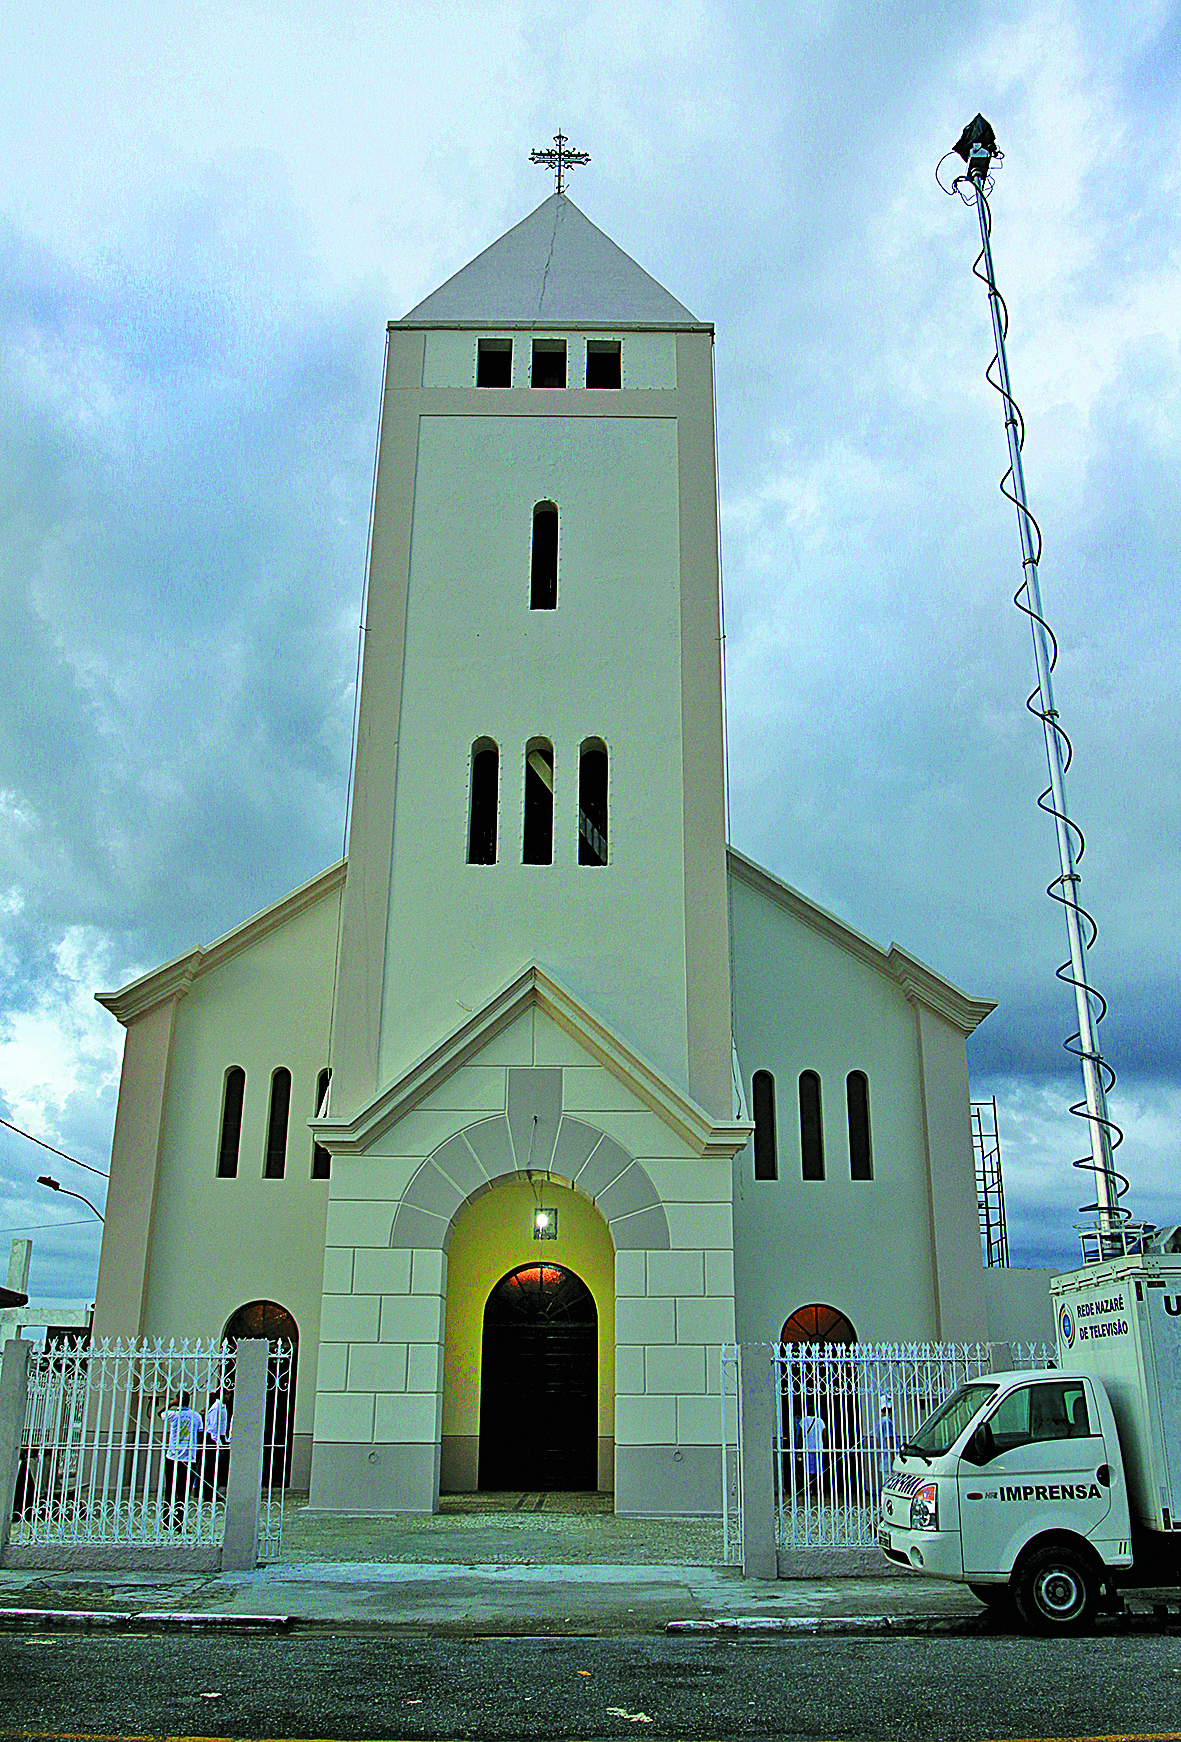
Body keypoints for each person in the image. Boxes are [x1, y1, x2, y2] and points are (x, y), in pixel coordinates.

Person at [159, 1390, 204, 1530]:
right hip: (189, 1458)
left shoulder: (173, 1415)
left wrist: (171, 1403)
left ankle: (167, 1521)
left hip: (172, 1457)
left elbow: (159, 1413)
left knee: (170, 1490)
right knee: (184, 1491)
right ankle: (179, 1522)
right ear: (189, 1400)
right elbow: (200, 1433)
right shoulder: (196, 1416)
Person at [204, 1391, 232, 1495]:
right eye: (227, 1394)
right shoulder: (216, 1408)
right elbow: (213, 1429)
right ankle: (208, 1493)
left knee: (218, 1467)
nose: (229, 1396)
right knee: (211, 1467)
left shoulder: (222, 1407)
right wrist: (219, 1444)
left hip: (220, 1437)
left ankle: (213, 1491)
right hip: (214, 1439)